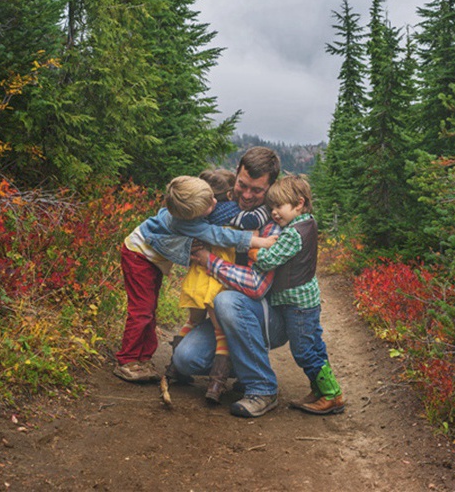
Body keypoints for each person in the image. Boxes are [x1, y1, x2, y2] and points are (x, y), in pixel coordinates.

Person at [114, 175, 268, 383]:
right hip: (138, 257)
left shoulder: (184, 209)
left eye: (212, 198)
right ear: (192, 216)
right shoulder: (186, 223)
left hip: (147, 259)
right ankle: (127, 360)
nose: (214, 203)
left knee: (149, 309)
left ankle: (143, 357)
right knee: (142, 311)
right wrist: (258, 241)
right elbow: (219, 235)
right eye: (208, 204)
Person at [172, 147, 290, 418]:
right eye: (242, 185)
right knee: (186, 358)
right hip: (224, 315)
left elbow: (256, 287)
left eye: (257, 191)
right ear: (236, 173)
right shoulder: (221, 208)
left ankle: (262, 387)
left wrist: (208, 260)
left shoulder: (273, 221)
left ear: (270, 187)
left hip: (268, 318)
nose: (247, 196)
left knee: (227, 300)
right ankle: (244, 362)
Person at [252, 174, 345, 415]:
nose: (274, 213)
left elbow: (268, 260)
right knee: (314, 345)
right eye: (271, 207)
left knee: (303, 349)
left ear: (299, 203)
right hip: (306, 300)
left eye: (279, 206)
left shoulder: (293, 233)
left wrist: (253, 251)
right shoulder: (308, 223)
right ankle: (323, 389)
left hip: (297, 304)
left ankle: (331, 395)